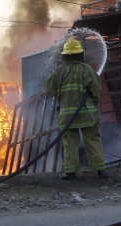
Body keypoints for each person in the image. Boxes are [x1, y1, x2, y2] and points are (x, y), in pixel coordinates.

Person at [45, 37, 107, 180]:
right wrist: (93, 99)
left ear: (65, 56)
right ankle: (100, 171)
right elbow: (97, 90)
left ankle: (71, 173)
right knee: (93, 140)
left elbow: (50, 90)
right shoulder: (87, 69)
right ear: (81, 54)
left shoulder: (59, 71)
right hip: (88, 115)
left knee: (70, 143)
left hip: (67, 117)